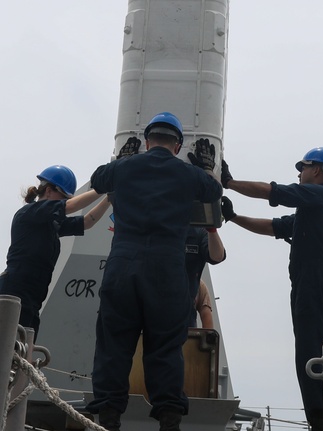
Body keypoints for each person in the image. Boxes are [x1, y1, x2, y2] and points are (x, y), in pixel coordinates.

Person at [84, 113, 222, 431]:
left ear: (147, 141)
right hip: (167, 272)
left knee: (114, 344)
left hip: (123, 268)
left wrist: (123, 158)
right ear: (176, 145)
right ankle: (169, 419)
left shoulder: (125, 168)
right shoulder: (186, 173)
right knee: (165, 348)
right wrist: (203, 166)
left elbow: (99, 179)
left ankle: (108, 418)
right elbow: (212, 193)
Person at [218, 147, 323, 431]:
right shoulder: (311, 210)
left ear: (318, 170)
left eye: (303, 168)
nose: (299, 174)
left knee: (311, 355)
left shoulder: (322, 195)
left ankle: (321, 422)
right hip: (310, 285)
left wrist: (229, 183)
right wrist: (235, 217)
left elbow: (274, 192)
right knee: (308, 356)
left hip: (317, 285)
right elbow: (273, 226)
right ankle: (319, 420)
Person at [0, 165, 110, 336]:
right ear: (48, 190)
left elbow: (86, 222)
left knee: (24, 350)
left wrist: (109, 198)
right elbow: (70, 206)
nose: (62, 202)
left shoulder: (51, 224)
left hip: (32, 298)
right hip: (13, 294)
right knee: (9, 352)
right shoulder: (30, 213)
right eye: (62, 197)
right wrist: (103, 186)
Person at [185, 225, 225, 328]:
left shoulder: (198, 233)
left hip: (185, 320)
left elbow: (217, 256)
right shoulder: (155, 229)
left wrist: (212, 227)